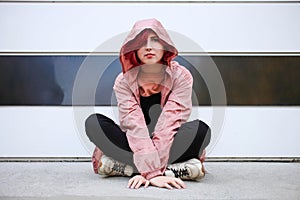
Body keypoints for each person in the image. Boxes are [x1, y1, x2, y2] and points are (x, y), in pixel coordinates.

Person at [85, 18, 211, 190]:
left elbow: (169, 123)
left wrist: (152, 172)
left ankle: (127, 169)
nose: (148, 47)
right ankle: (174, 171)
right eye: (141, 42)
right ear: (133, 49)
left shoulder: (181, 76)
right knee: (94, 123)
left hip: (170, 140)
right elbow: (134, 126)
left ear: (165, 45)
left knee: (201, 130)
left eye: (155, 40)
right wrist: (154, 174)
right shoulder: (123, 81)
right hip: (134, 142)